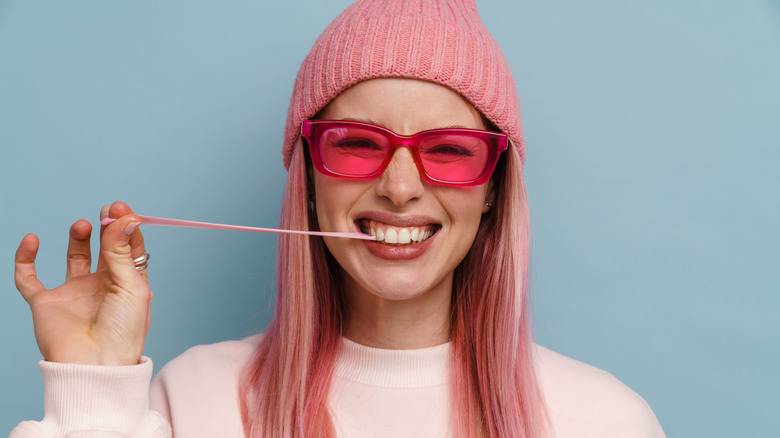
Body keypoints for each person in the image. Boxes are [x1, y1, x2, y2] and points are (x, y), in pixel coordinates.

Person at [11, 0, 665, 437]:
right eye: (357, 143)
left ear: (493, 187)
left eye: (448, 150)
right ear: (309, 174)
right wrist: (93, 391)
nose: (401, 187)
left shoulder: (604, 420)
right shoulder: (193, 402)